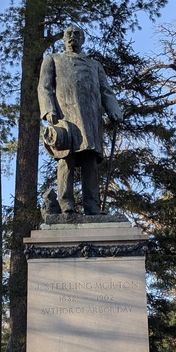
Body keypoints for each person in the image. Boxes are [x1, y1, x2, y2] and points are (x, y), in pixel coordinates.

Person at [38, 24, 123, 215]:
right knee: (66, 159)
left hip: (91, 118)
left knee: (90, 162)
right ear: (63, 38)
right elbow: (44, 88)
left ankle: (92, 205)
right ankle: (66, 204)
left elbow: (105, 91)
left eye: (76, 34)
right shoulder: (53, 60)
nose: (72, 37)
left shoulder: (94, 65)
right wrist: (49, 110)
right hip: (65, 118)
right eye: (68, 34)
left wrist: (114, 109)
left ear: (83, 39)